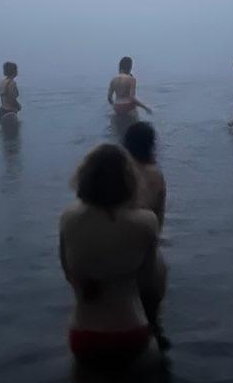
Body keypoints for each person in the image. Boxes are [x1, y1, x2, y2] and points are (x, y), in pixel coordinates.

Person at [59, 144, 161, 368]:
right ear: (129, 179)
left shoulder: (68, 218)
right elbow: (149, 280)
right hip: (131, 330)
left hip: (83, 334)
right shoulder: (146, 221)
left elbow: (68, 272)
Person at [122, 122, 168, 348]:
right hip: (149, 257)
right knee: (151, 322)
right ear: (151, 145)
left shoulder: (119, 174)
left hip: (118, 256)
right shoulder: (155, 175)